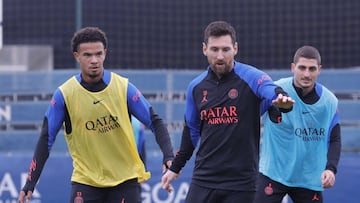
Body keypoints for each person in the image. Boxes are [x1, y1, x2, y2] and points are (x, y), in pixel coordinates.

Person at [18, 27, 174, 203]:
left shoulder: (123, 88)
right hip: (86, 182)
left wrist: (168, 156)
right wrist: (30, 183)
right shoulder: (64, 95)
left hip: (125, 182)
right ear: (77, 56)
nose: (94, 60)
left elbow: (155, 121)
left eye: (98, 54)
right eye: (87, 55)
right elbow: (46, 138)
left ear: (105, 54)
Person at [161, 20, 295, 203]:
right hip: (204, 179)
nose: (220, 56)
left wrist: (281, 98)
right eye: (214, 49)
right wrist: (175, 168)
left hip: (241, 183)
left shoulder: (250, 77)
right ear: (204, 49)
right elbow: (191, 133)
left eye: (226, 49)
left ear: (236, 48)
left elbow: (269, 89)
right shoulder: (196, 87)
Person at [255, 45, 341, 203]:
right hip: (273, 173)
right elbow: (251, 116)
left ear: (319, 70)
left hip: (309, 179)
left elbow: (334, 138)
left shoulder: (329, 102)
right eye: (302, 68)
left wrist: (331, 169)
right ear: (293, 68)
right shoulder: (275, 90)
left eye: (312, 69)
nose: (306, 74)